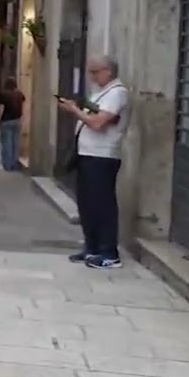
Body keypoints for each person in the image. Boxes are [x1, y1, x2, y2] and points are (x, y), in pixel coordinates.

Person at [58, 55, 130, 269]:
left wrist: (74, 111)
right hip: (88, 154)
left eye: (95, 71)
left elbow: (98, 123)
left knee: (103, 205)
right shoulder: (101, 94)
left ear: (108, 71)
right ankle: (92, 248)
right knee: (87, 205)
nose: (92, 76)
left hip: (103, 156)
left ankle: (109, 253)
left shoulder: (118, 93)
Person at [0, 77, 25, 171]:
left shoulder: (3, 94)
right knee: (15, 143)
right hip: (17, 120)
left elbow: (1, 108)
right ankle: (14, 164)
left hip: (6, 121)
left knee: (6, 144)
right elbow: (23, 106)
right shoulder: (20, 94)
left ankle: (7, 165)